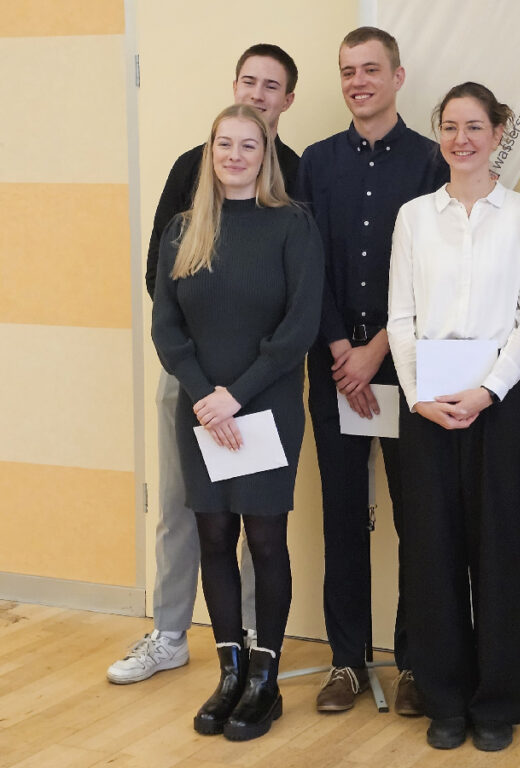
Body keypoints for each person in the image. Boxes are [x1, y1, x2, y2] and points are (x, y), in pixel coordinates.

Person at [108, 43, 301, 685]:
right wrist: (201, 384)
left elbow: (297, 304)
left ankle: (253, 654)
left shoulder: (295, 187)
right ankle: (171, 636)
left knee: (258, 529)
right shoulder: (189, 176)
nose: (257, 94)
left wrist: (237, 391)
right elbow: (160, 283)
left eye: (270, 86)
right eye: (248, 81)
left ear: (286, 101)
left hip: (262, 390)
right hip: (192, 383)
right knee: (187, 514)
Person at [387, 82, 520, 752]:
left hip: (496, 406)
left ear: (498, 133)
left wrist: (489, 390)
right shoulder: (413, 217)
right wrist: (418, 394)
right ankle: (445, 698)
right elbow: (401, 317)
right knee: (432, 555)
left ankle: (496, 703)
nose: (461, 139)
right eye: (450, 127)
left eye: (475, 126)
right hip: (426, 406)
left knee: (499, 553)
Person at [152, 104, 323, 741]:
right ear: (210, 151)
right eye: (224, 144)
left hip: (265, 408)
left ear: (264, 154)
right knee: (214, 536)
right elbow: (167, 327)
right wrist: (205, 397)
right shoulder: (183, 229)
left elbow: (298, 327)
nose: (234, 155)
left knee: (266, 539)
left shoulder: (292, 225)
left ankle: (264, 679)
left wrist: (235, 397)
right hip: (201, 412)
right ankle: (230, 672)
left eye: (248, 145)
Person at [298, 26, 447, 717]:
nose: (358, 82)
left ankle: (415, 661)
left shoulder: (431, 161)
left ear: (397, 76)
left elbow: (434, 273)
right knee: (342, 517)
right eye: (347, 71)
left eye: (370, 69)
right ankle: (346, 661)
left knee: (417, 517)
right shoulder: (315, 162)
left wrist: (376, 351)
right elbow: (307, 265)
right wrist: (340, 348)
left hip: (405, 367)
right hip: (334, 370)